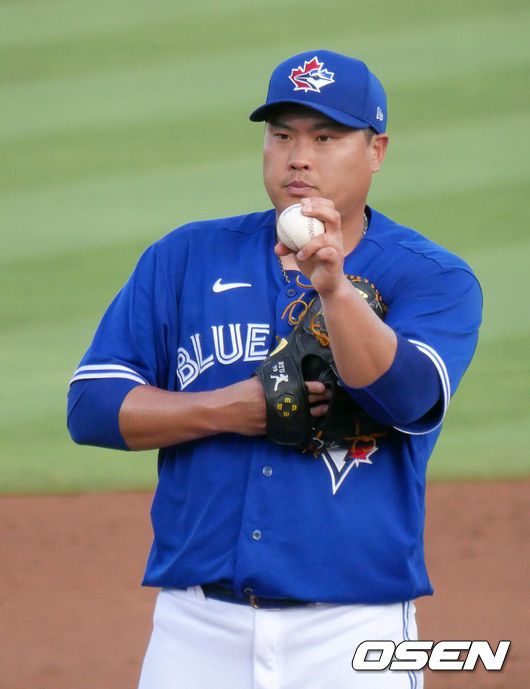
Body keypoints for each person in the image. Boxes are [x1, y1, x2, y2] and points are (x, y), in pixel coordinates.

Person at [67, 49, 482, 689]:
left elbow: (409, 397)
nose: (298, 158)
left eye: (326, 137)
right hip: (194, 632)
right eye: (282, 135)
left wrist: (336, 292)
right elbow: (92, 406)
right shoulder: (185, 257)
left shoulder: (431, 276)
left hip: (353, 633)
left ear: (376, 150)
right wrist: (228, 409)